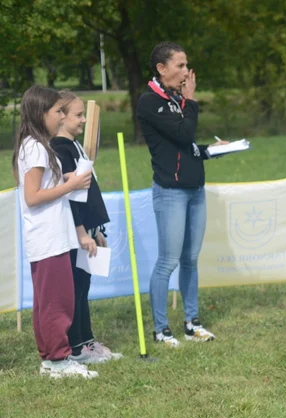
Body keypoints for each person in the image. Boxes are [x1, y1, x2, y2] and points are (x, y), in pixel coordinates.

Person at [137, 41, 226, 346]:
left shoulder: (177, 101)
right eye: (180, 66)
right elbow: (183, 133)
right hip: (171, 192)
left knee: (191, 259)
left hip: (194, 190)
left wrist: (211, 152)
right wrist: (191, 102)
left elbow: (186, 146)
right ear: (161, 69)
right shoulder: (150, 102)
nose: (187, 72)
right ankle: (161, 329)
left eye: (187, 65)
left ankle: (192, 322)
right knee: (168, 261)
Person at [12, 85, 96, 379]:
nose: (62, 117)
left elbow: (45, 185)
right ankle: (59, 359)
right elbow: (33, 196)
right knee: (56, 303)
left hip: (50, 236)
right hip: (47, 237)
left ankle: (50, 359)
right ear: (41, 113)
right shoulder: (34, 146)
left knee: (48, 301)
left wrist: (66, 177)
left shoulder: (36, 145)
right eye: (58, 111)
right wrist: (70, 185)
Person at [50, 90, 122, 364]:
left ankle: (86, 341)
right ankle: (77, 347)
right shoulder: (60, 149)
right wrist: (81, 231)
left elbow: (88, 193)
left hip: (87, 231)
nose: (82, 121)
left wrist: (97, 229)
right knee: (76, 288)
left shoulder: (75, 146)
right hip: (74, 233)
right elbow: (71, 196)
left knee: (84, 285)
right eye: (77, 115)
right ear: (60, 116)